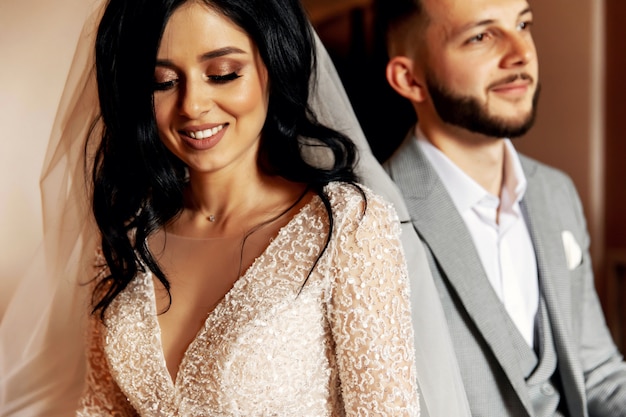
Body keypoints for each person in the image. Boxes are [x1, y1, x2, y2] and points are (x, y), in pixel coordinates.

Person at [1, 0, 472, 416]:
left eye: (223, 74)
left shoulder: (346, 225)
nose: (193, 105)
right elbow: (102, 407)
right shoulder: (124, 243)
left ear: (273, 64)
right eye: (162, 81)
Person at [376, 0, 626, 415]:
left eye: (522, 25)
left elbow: (597, 371)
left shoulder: (555, 192)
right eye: (481, 36)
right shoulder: (374, 218)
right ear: (409, 78)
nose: (521, 53)